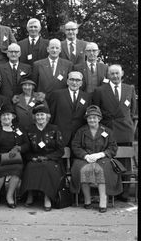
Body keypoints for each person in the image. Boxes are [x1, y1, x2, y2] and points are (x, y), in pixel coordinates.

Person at [92, 64, 137, 202]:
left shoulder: (129, 89)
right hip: (108, 130)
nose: (115, 76)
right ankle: (111, 191)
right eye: (112, 74)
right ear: (108, 75)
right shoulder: (100, 90)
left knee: (125, 161)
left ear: (122, 73)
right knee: (109, 161)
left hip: (125, 130)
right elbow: (97, 111)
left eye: (117, 73)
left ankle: (124, 194)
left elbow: (133, 111)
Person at [70, 105, 121, 213]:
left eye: (94, 117)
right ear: (86, 119)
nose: (92, 120)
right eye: (89, 118)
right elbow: (75, 146)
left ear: (99, 118)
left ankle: (103, 199)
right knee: (83, 170)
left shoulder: (107, 131)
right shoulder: (81, 131)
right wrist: (85, 156)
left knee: (102, 170)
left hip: (103, 158)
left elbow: (113, 147)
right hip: (84, 159)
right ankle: (87, 199)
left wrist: (101, 154)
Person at [20, 104, 65, 211]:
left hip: (51, 159)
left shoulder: (54, 129)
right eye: (38, 115)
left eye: (42, 115)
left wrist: (48, 157)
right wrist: (32, 158)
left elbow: (60, 150)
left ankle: (47, 197)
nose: (40, 117)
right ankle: (30, 194)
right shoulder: (29, 129)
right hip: (34, 158)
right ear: (34, 117)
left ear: (47, 116)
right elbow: (26, 149)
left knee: (46, 168)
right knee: (31, 167)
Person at [0, 105, 29, 208]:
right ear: (0, 117)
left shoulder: (19, 128)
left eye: (8, 115)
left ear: (13, 116)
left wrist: (18, 148)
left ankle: (9, 196)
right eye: (3, 115)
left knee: (17, 169)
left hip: (14, 158)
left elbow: (27, 144)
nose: (6, 117)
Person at [48, 71, 91, 146]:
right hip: (60, 135)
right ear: (67, 81)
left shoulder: (87, 97)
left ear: (81, 83)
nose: (74, 83)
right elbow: (51, 115)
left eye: (77, 80)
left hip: (79, 136)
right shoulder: (57, 95)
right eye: (72, 79)